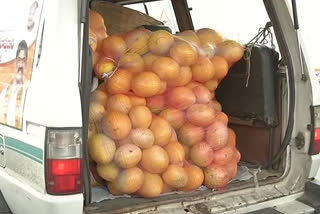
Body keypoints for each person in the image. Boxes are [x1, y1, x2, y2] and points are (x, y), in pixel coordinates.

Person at [0, 40, 28, 128]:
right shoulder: (4, 92)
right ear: (14, 62)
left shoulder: (27, 93)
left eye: (23, 61)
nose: (20, 65)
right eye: (19, 60)